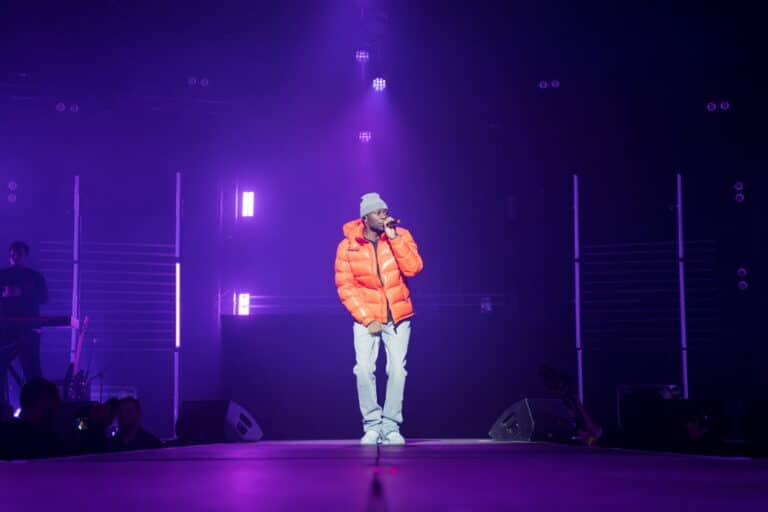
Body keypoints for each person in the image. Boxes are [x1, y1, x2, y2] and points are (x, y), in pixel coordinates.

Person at [335, 193, 424, 445]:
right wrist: (367, 318)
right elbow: (345, 286)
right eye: (378, 212)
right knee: (363, 369)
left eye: (386, 211)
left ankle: (391, 426)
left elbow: (414, 268)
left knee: (397, 370)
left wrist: (394, 238)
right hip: (366, 317)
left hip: (398, 316)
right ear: (365, 218)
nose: (384, 215)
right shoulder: (348, 246)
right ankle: (372, 425)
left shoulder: (400, 236)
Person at [0, 241, 49, 404]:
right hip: (6, 330)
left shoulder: (34, 277)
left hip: (28, 330)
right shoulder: (2, 275)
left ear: (25, 256)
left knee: (32, 369)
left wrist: (21, 292)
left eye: (18, 254)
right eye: (12, 254)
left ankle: (38, 404)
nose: (14, 257)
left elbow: (44, 298)